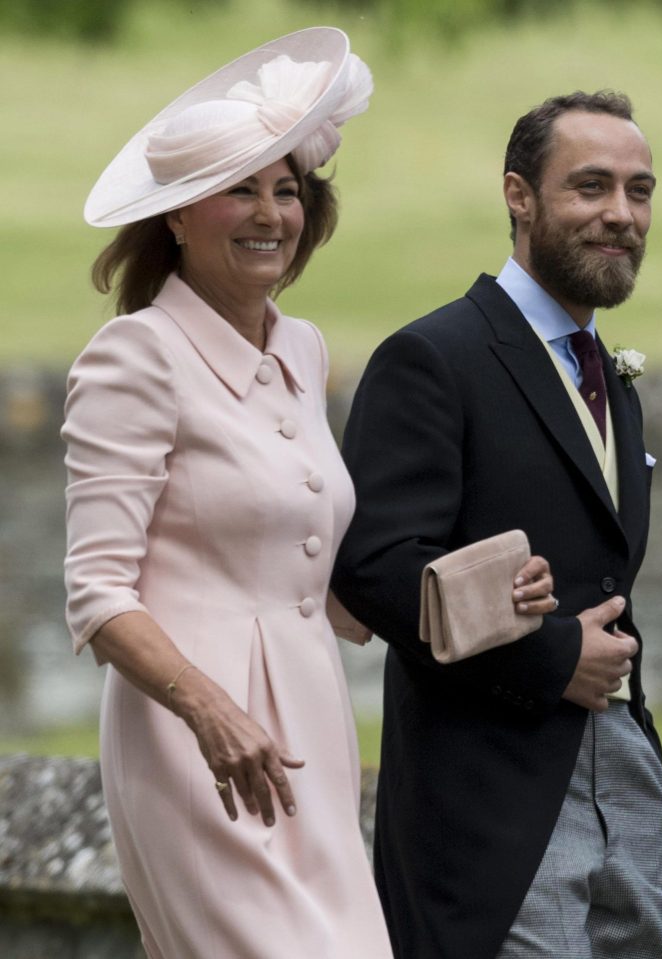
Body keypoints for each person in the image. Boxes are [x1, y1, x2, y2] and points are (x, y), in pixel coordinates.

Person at [62, 27, 395, 959]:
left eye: (285, 188)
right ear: (174, 215)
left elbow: (304, 552)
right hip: (194, 740)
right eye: (238, 188)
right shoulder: (136, 357)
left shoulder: (304, 348)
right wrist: (210, 711)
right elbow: (97, 595)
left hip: (311, 724)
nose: (270, 213)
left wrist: (462, 601)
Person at [331, 91, 662, 959]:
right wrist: (553, 655)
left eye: (639, 191)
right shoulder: (432, 358)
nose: (621, 214)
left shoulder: (611, 377)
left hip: (622, 773)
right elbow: (371, 565)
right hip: (488, 800)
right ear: (518, 196)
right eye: (590, 187)